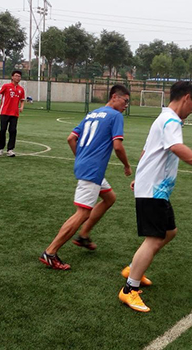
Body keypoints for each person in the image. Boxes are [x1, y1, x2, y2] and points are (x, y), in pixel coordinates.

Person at [119, 81, 192, 313]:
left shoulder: (163, 118)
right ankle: (129, 289)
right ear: (186, 98)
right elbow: (177, 147)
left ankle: (133, 269)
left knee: (169, 232)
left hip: (155, 189)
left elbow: (147, 151)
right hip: (153, 190)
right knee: (154, 239)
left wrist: (139, 176)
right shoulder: (171, 120)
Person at [39, 85, 132, 271]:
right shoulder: (115, 116)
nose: (126, 105)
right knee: (82, 213)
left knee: (109, 198)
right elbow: (118, 146)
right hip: (93, 170)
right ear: (114, 96)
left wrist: (81, 157)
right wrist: (127, 166)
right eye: (125, 101)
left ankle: (83, 235)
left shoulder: (92, 114)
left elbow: (70, 138)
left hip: (86, 166)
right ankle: (50, 252)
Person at [0, 70, 25, 157]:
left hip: (15, 113)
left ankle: (10, 149)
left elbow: (22, 100)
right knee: (3, 130)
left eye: (19, 76)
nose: (18, 78)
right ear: (12, 77)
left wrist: (21, 107)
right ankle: (1, 148)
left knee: (13, 131)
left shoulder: (21, 89)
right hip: (4, 112)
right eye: (16, 76)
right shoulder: (6, 86)